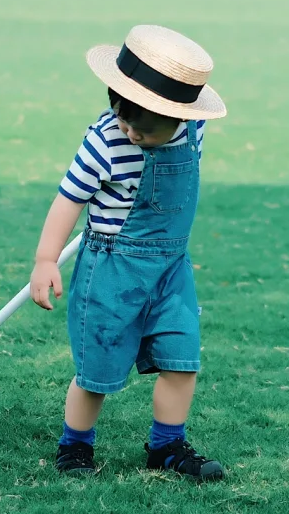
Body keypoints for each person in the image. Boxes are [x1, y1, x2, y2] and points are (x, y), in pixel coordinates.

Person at [30, 24, 227, 480]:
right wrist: (45, 259)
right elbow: (68, 200)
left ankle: (166, 446)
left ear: (180, 116)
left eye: (147, 127)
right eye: (123, 118)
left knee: (182, 361)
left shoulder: (193, 131)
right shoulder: (104, 141)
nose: (132, 133)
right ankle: (75, 446)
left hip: (171, 269)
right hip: (112, 270)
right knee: (96, 369)